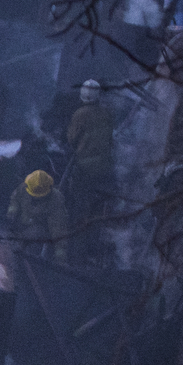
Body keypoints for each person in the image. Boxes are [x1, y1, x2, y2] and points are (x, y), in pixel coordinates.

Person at [66, 80, 115, 261]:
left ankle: (76, 255)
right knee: (97, 213)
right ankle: (94, 254)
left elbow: (72, 139)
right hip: (105, 170)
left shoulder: (80, 114)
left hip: (84, 171)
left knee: (79, 211)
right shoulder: (106, 114)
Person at [7, 167, 66, 251]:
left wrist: (60, 254)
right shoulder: (24, 187)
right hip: (21, 223)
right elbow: (15, 199)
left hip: (40, 230)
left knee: (31, 235)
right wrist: (12, 211)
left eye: (38, 197)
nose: (35, 198)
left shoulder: (56, 200)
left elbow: (58, 228)